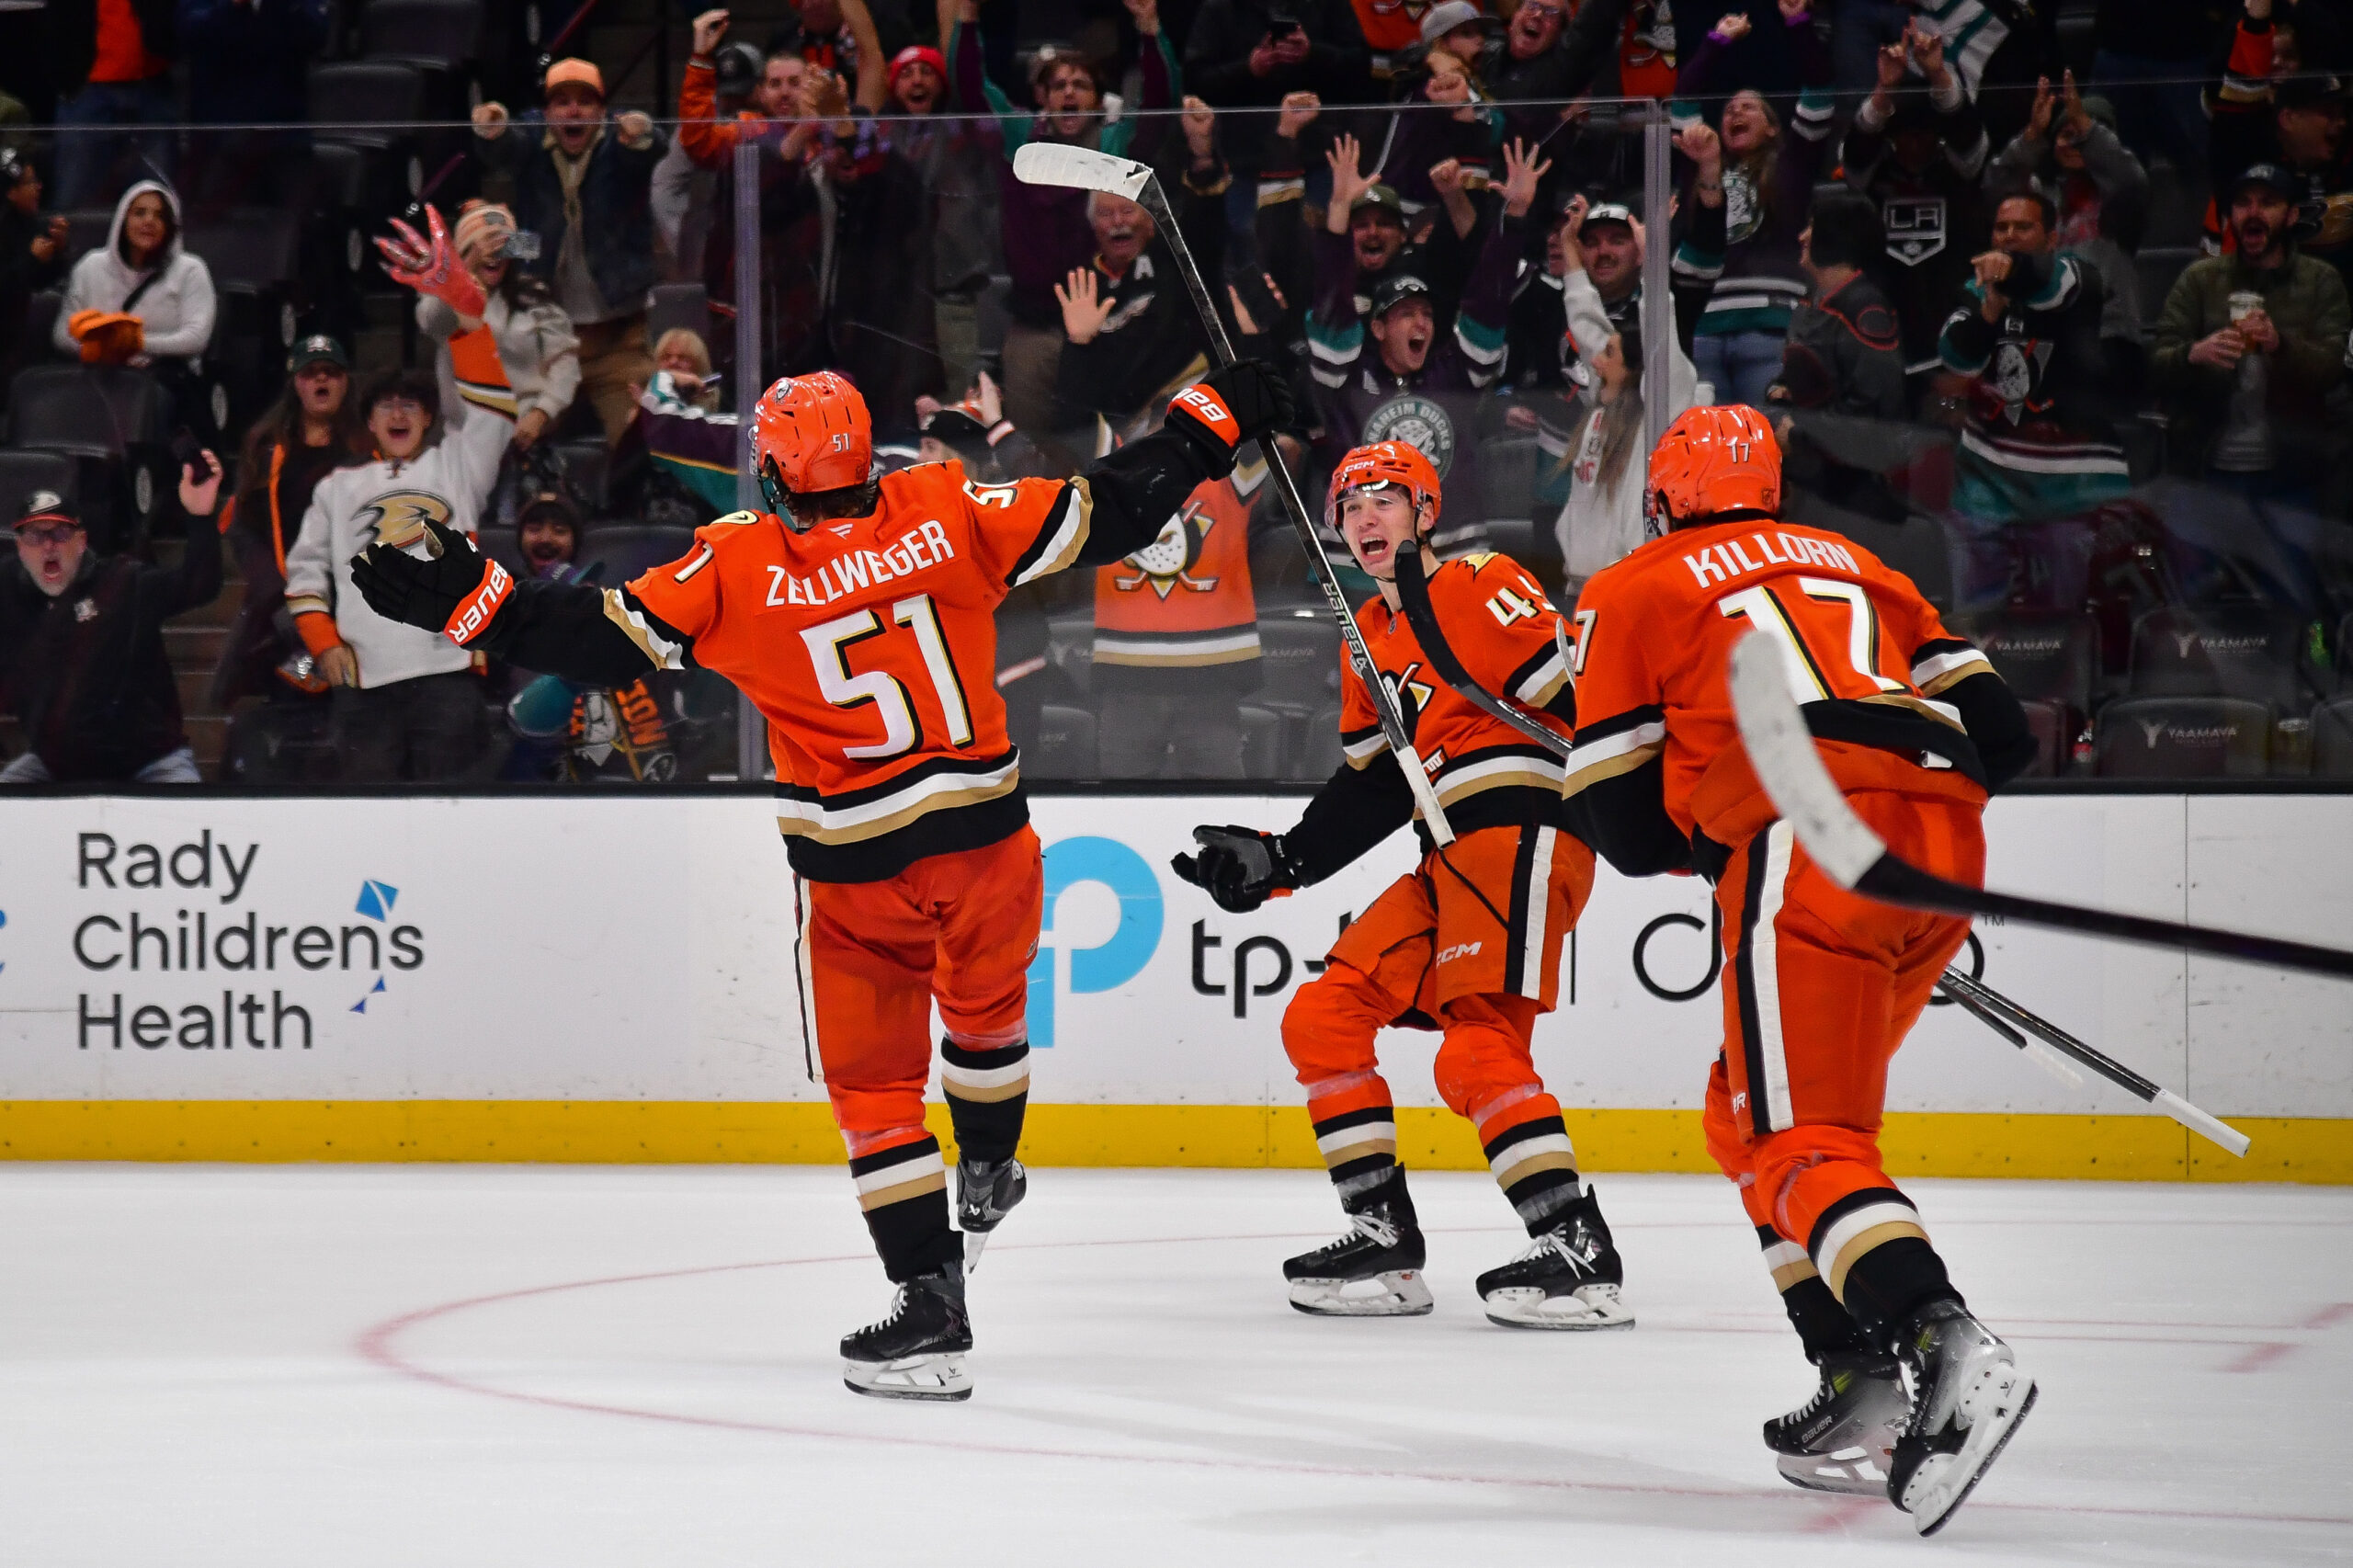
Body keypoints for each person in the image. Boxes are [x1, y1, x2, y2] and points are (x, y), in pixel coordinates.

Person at [346, 358, 1297, 1401]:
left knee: (879, 1096)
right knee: (986, 1022)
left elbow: (599, 637)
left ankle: (931, 1306)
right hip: (987, 845)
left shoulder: (738, 561)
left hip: (857, 876)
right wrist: (1214, 418)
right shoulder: (946, 504)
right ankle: (989, 1164)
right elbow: (1115, 511)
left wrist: (477, 603)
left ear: (773, 470)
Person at [1563, 404, 2038, 1533]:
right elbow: (2004, 731)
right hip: (1940, 840)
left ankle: (1940, 1335)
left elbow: (1621, 826)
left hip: (1805, 831)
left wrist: (1727, 818)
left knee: (1797, 1138)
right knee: (1744, 1109)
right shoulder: (1863, 564)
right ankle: (1858, 1374)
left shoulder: (1633, 585)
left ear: (1664, 494)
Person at [1171, 439, 1631, 1329]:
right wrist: (1282, 860)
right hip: (1446, 851)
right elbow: (1377, 785)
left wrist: (1652, 794)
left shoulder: (1471, 581)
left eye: (1386, 498)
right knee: (1322, 1015)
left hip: (1526, 829)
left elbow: (1580, 693)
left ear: (1425, 511)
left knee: (1475, 1046)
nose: (1365, 516)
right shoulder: (1366, 640)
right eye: (1350, 506)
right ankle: (1383, 1234)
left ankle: (1577, 1245)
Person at [284, 210, 518, 782]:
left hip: (448, 674)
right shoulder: (337, 488)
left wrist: (466, 320)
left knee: (456, 825)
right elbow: (305, 572)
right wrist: (322, 642)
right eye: (385, 405)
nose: (397, 412)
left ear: (429, 419)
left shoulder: (456, 466)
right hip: (364, 685)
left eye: (410, 405)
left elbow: (493, 411)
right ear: (367, 422)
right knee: (370, 834)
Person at [949, 0, 1179, 437]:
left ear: (1097, 98)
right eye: (1058, 86)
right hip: (1033, 329)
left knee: (1105, 444)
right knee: (1030, 450)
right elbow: (971, 90)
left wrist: (1150, 28)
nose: (1069, 93)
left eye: (1080, 84)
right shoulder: (1020, 140)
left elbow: (1159, 103)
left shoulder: (1115, 145)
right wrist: (967, 17)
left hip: (1109, 323)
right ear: (1043, 98)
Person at [1311, 136, 1544, 558]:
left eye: (1427, 314)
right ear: (1378, 328)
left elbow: (1487, 301)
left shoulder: (1456, 373)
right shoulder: (1346, 376)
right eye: (1405, 314)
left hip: (1451, 557)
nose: (1421, 323)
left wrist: (1516, 217)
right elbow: (1331, 308)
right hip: (1357, 561)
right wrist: (1339, 215)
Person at [1937, 186, 2130, 609]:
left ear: (2051, 237)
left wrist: (2013, 274)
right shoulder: (1973, 289)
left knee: (2062, 618)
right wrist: (1990, 310)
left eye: (2023, 227)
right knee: (1977, 617)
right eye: (2001, 227)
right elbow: (1958, 359)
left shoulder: (2078, 276)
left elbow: (2049, 287)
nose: (2009, 235)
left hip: (2068, 484)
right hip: (1987, 482)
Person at [471, 61, 665, 443]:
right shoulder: (531, 141)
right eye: (561, 102)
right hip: (546, 347)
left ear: (603, 112)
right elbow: (506, 145)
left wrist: (641, 134)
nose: (573, 111)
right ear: (547, 114)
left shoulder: (618, 143)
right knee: (520, 441)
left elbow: (650, 147)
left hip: (618, 344)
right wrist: (492, 129)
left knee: (637, 445)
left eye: (585, 102)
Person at [0, 458, 222, 784]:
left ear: (82, 541)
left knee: (188, 811)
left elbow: (200, 584)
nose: (49, 546)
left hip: (151, 761)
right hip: (53, 763)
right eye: (35, 536)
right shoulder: (6, 589)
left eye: (61, 533)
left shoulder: (122, 583)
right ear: (20, 547)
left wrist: (201, 516)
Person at [1672, 24, 1837, 410]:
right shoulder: (1702, 166)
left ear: (1772, 126)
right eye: (1729, 109)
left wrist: (1798, 26)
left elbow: (1819, 91)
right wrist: (1714, 41)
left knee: (1763, 447)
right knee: (1709, 457)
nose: (1735, 112)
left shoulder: (1791, 167)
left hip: (1771, 329)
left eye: (1748, 107)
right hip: (1705, 330)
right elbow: (1683, 102)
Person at [1049, 98, 1229, 437]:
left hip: (1185, 412)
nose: (1118, 222)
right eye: (1105, 214)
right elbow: (1071, 414)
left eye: (1128, 211)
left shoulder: (1176, 261)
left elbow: (1206, 226)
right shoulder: (1080, 285)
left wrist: (1202, 154)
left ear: (1149, 221)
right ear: (1094, 228)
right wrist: (1079, 343)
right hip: (1118, 431)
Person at [213, 335, 365, 731]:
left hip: (357, 607)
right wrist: (280, 595)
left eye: (330, 373)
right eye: (311, 373)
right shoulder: (265, 446)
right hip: (283, 608)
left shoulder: (369, 446)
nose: (321, 381)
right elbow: (239, 525)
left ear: (345, 381)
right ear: (295, 383)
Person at [1551, 194, 1697, 593]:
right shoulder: (1605, 405)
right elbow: (1585, 323)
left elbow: (1659, 337)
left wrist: (1652, 267)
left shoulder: (1660, 410)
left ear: (1638, 371)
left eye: (1609, 355)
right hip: (1577, 586)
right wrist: (1570, 253)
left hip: (1628, 589)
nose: (1595, 362)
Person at [1841, 24, 1992, 393]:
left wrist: (1938, 74)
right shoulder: (1875, 176)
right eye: (1906, 135)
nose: (1916, 144)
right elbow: (1854, 155)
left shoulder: (1957, 172)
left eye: (1925, 134)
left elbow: (1971, 142)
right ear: (1892, 138)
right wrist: (1884, 90)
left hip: (1950, 317)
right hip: (1888, 326)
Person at [1987, 74, 2149, 383]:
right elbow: (1996, 191)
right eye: (2065, 133)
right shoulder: (2039, 192)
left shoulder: (2122, 201)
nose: (2074, 143)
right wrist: (2033, 135)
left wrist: (2085, 126)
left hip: (2109, 335)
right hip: (2042, 330)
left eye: (2083, 136)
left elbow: (2130, 178)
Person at [417, 202, 581, 454]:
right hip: (466, 444)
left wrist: (541, 413)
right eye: (484, 245)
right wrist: (465, 268)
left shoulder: (534, 295)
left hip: (529, 438)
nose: (494, 254)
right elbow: (430, 320)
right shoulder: (443, 302)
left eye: (502, 245)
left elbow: (564, 363)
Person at [52, 181, 215, 401]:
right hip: (99, 379)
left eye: (159, 216)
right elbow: (63, 334)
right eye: (139, 213)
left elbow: (196, 338)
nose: (149, 221)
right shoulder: (90, 266)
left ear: (170, 226)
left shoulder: (190, 270)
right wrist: (102, 353)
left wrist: (136, 344)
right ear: (122, 219)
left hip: (165, 384)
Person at [44, 0, 176, 209]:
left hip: (152, 80)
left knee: (157, 197)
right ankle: (66, 242)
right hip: (86, 86)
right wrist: (66, 78)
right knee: (72, 195)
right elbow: (56, 20)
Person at [0, 147, 68, 380]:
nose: (38, 186)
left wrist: (57, 251)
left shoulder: (31, 225)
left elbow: (41, 282)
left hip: (14, 337)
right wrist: (30, 260)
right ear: (11, 192)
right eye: (30, 182)